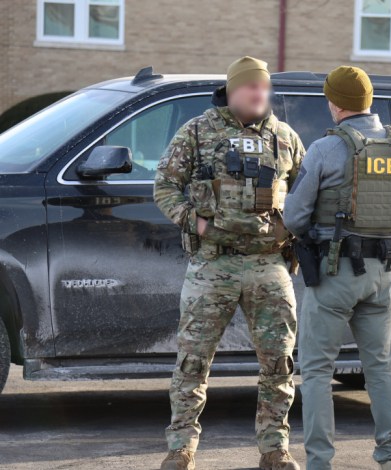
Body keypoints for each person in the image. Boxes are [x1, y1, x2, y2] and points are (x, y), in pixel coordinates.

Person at [154, 56, 305, 470]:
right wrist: (194, 222)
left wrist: (294, 225)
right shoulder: (198, 132)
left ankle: (275, 448)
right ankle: (180, 447)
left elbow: (306, 192)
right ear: (233, 90)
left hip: (268, 265)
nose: (259, 94)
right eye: (250, 87)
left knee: (279, 362)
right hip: (212, 265)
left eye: (264, 88)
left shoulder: (285, 137)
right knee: (193, 359)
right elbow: (165, 186)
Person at [283, 66, 391, 470]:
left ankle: (319, 462)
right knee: (379, 367)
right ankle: (390, 458)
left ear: (335, 104)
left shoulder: (325, 149)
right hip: (381, 275)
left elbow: (294, 216)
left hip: (333, 274)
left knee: (315, 371)